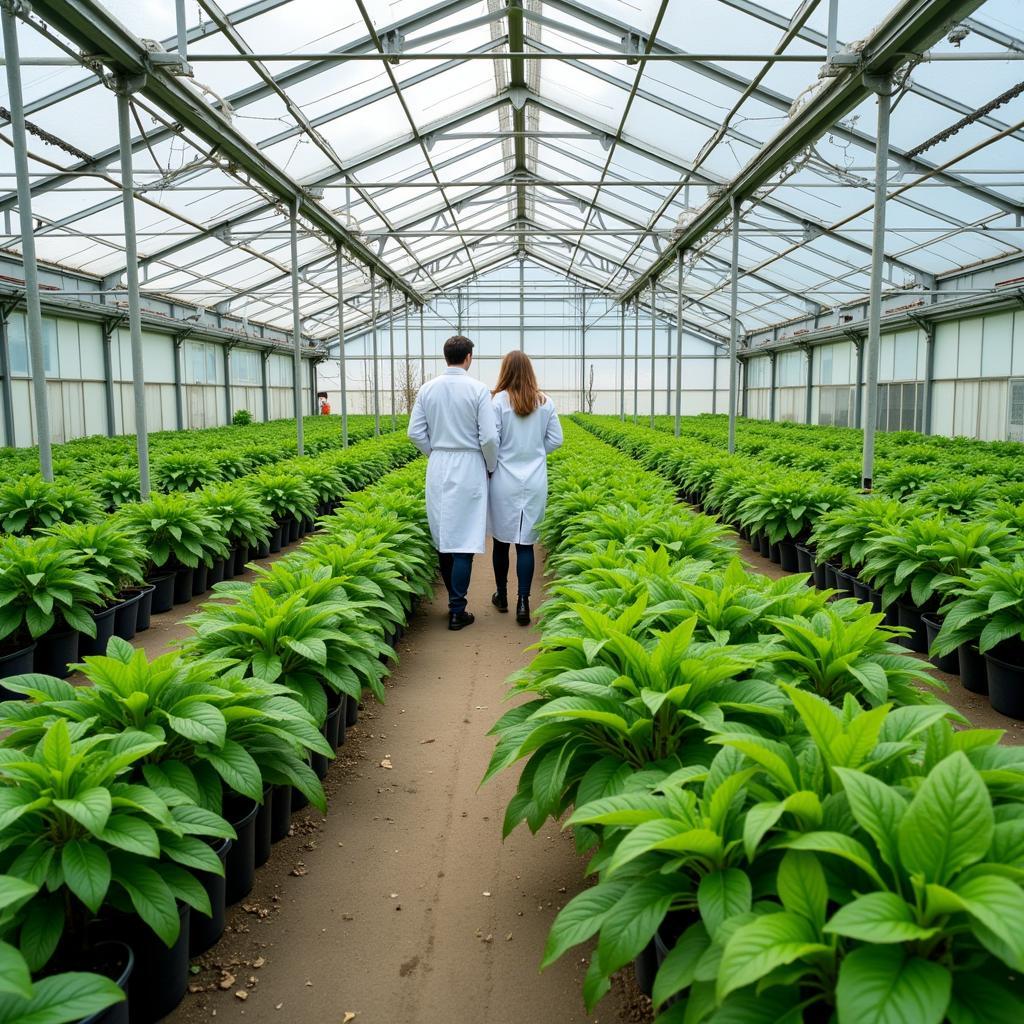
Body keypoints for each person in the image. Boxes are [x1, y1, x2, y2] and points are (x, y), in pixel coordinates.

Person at [408, 335, 499, 630]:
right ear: (469, 357)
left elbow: (415, 433)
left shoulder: (427, 389)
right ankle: (458, 608)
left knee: (444, 535)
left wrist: (434, 453)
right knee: (464, 540)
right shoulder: (478, 390)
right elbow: (488, 437)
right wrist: (490, 465)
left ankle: (453, 603)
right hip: (469, 464)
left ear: (446, 356)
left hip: (439, 464)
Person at [487, 350, 563, 626]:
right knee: (526, 542)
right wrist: (535, 452)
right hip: (534, 479)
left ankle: (502, 595)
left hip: (504, 478)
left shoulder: (498, 401)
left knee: (501, 540)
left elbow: (491, 441)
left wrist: (496, 462)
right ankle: (523, 602)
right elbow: (556, 439)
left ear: (505, 371)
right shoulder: (544, 401)